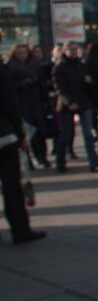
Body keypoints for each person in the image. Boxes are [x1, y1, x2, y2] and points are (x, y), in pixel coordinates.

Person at [0, 59, 43, 244]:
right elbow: (9, 103)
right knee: (11, 186)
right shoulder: (2, 71)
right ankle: (20, 229)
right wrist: (20, 133)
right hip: (3, 135)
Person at [52, 41, 98, 173]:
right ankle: (60, 162)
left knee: (88, 134)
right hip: (67, 104)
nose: (74, 52)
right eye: (71, 49)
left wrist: (89, 82)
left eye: (76, 49)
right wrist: (69, 102)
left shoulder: (81, 65)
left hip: (83, 101)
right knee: (66, 134)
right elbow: (59, 88)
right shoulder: (60, 66)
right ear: (65, 51)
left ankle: (94, 162)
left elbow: (88, 84)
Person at [9, 44, 49, 170]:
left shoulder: (34, 64)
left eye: (24, 53)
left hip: (36, 102)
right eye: (19, 53)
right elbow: (9, 88)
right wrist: (23, 84)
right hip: (21, 103)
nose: (22, 55)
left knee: (40, 131)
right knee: (27, 134)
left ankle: (42, 157)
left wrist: (46, 100)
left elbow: (42, 83)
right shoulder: (11, 66)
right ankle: (30, 160)